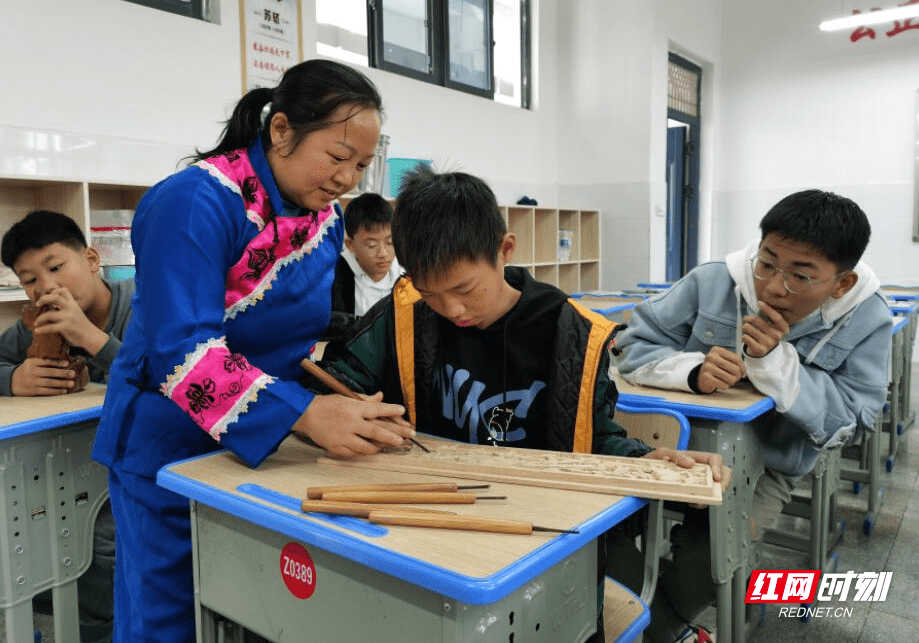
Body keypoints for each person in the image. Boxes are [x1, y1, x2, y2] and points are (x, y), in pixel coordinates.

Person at [318, 166, 728, 642]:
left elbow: (594, 440)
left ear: (505, 250)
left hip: (536, 537)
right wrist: (340, 409)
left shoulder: (571, 334)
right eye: (432, 294)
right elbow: (340, 382)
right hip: (428, 528)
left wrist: (646, 460)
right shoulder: (407, 311)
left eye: (464, 290)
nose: (451, 310)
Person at [91, 59, 415, 642]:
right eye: (338, 158)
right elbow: (181, 353)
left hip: (257, 446)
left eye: (362, 166)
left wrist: (342, 396)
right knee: (168, 617)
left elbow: (292, 339)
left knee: (247, 609)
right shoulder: (195, 202)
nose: (348, 178)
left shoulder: (324, 222)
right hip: (166, 446)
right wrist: (307, 414)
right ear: (282, 130)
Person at [615, 189, 891, 643]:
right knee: (611, 536)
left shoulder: (866, 317)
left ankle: (652, 630)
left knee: (709, 563)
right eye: (767, 262)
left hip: (770, 466)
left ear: (840, 283)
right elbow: (630, 344)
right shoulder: (714, 280)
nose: (772, 287)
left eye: (801, 276)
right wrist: (691, 370)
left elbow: (856, 419)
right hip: (673, 451)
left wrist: (779, 366)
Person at [1, 209, 134, 643]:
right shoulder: (36, 324)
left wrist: (95, 340)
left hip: (139, 469)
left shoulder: (143, 305)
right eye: (29, 279)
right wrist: (14, 379)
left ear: (93, 260)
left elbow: (173, 378)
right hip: (68, 470)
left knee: (98, 545)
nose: (46, 287)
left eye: (56, 267)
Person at [322, 192, 401, 360]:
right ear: (350, 245)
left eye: (390, 242)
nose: (383, 253)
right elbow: (321, 321)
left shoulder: (406, 276)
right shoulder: (334, 275)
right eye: (371, 245)